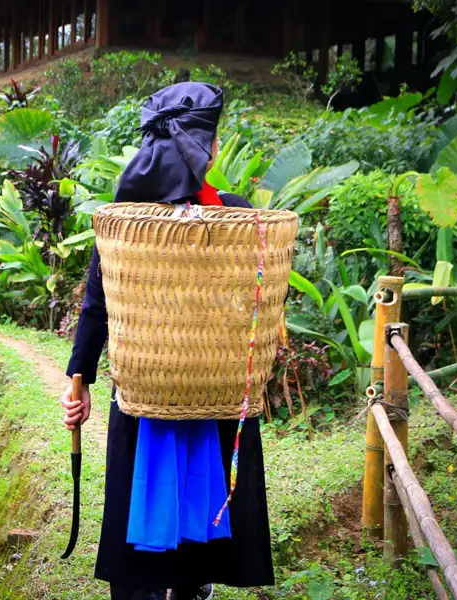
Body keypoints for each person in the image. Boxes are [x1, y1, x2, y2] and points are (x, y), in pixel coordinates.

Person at [60, 82, 274, 600]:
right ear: (211, 149)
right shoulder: (235, 216)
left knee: (141, 496)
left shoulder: (128, 222)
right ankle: (192, 584)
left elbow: (97, 300)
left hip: (143, 392)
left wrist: (79, 379)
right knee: (202, 494)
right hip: (213, 394)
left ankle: (152, 586)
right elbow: (261, 300)